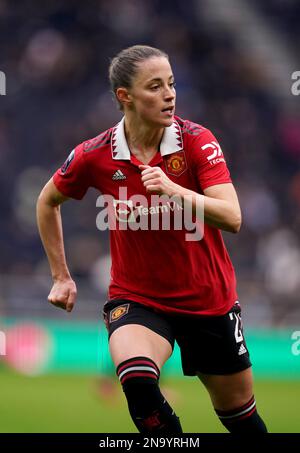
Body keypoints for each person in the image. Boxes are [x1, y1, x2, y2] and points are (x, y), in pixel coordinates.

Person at [36, 45, 267, 434]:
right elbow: (47, 201)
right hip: (139, 299)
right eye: (155, 86)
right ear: (125, 97)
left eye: (172, 84)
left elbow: (233, 217)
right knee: (138, 382)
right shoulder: (95, 154)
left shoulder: (197, 141)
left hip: (208, 300)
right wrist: (61, 275)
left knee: (241, 419)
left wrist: (174, 192)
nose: (170, 94)